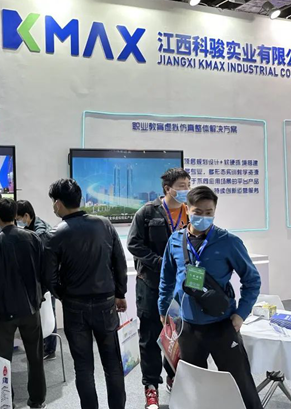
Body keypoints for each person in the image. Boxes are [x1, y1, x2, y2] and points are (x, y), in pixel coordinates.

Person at [158, 186, 263, 409]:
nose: (203, 217)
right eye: (198, 212)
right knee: (193, 387)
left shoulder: (228, 242)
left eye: (209, 212)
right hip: (188, 327)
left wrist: (241, 314)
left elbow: (252, 280)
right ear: (187, 209)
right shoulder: (175, 241)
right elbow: (166, 278)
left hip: (222, 324)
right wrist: (163, 309)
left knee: (240, 383)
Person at [45, 179, 127, 409]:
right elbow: (119, 261)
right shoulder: (104, 224)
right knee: (113, 365)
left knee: (83, 368)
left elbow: (49, 277)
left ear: (58, 203)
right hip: (106, 303)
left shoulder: (55, 233)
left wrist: (64, 295)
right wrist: (120, 292)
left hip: (74, 306)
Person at [127, 168, 190, 408]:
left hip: (181, 287)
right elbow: (133, 244)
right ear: (168, 189)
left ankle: (174, 375)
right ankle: (151, 386)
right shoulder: (147, 212)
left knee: (179, 334)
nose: (186, 190)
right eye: (182, 186)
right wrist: (161, 263)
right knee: (150, 335)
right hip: (151, 284)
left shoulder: (190, 212)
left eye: (188, 185)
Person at [0, 198, 47, 409]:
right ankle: (37, 400)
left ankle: (6, 401)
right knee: (35, 357)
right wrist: (38, 298)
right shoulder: (33, 237)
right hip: (31, 308)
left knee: (3, 361)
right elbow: (43, 272)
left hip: (4, 312)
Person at [16, 200, 57, 359]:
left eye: (18, 218)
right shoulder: (31, 228)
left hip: (46, 280)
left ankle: (49, 349)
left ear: (26, 215)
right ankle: (44, 346)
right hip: (41, 279)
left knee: (48, 314)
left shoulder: (39, 232)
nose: (18, 222)